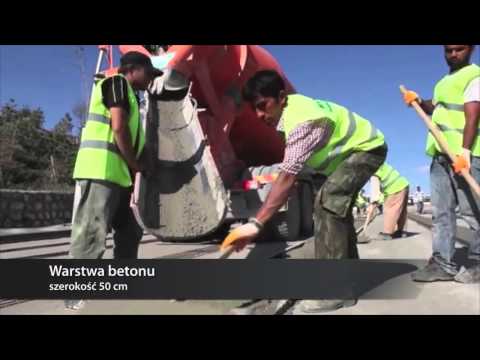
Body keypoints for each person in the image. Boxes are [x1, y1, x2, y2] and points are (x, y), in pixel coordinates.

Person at [221, 70, 387, 313]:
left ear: (281, 97)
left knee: (328, 204)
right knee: (334, 211)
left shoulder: (302, 121)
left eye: (262, 106)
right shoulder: (290, 114)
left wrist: (256, 224)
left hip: (367, 148)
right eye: (254, 109)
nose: (259, 115)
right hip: (346, 157)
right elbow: (297, 169)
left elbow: (287, 176)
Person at [66, 51, 162, 309]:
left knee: (130, 232)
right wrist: (136, 164)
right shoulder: (117, 83)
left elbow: (130, 134)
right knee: (91, 234)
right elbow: (118, 127)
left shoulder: (132, 95)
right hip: (99, 171)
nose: (150, 80)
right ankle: (78, 296)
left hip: (118, 178)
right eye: (149, 73)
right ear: (135, 68)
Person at [405, 45, 480, 283]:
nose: (453, 54)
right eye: (449, 50)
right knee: (441, 212)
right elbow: (436, 107)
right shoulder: (443, 82)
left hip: (465, 156)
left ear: (471, 49)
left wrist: (465, 153)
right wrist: (418, 100)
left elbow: (472, 116)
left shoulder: (474, 76)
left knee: (472, 212)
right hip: (441, 156)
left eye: (459, 49)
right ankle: (443, 263)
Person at [368, 162, 409, 241]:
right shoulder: (379, 163)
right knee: (401, 210)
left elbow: (375, 192)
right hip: (403, 184)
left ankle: (387, 233)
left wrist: (372, 204)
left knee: (390, 209)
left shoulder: (373, 171)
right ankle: (402, 231)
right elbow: (380, 193)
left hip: (395, 188)